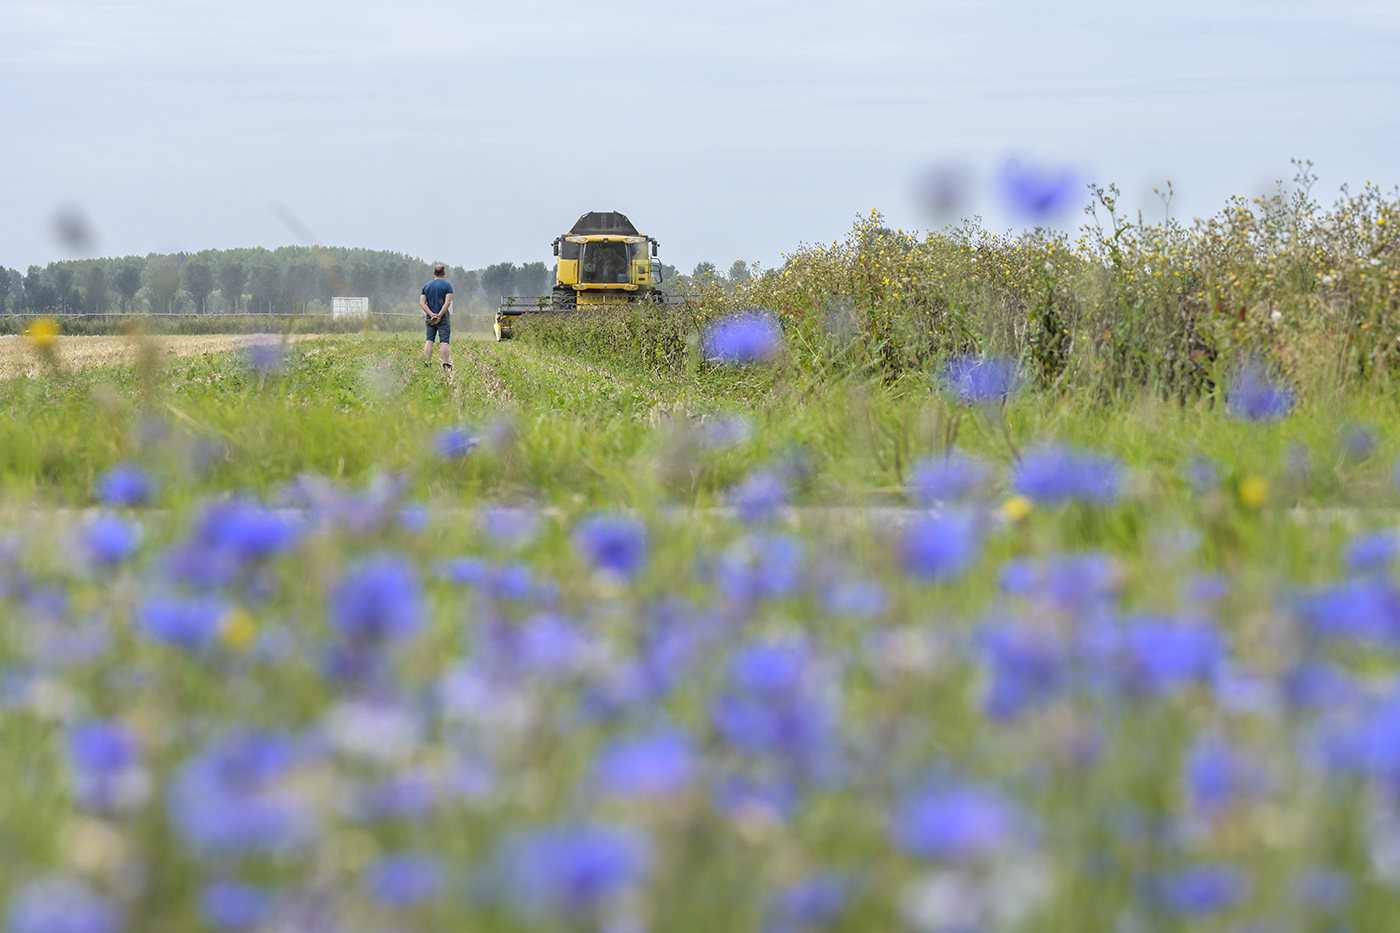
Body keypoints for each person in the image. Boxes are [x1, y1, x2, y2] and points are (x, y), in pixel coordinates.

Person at [420, 263, 454, 370]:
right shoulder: (447, 286)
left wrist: (431, 315)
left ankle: (427, 363)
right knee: (444, 342)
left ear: (434, 273)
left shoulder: (426, 286)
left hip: (430, 319)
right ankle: (445, 364)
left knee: (429, 340)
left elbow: (422, 303)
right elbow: (447, 302)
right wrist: (439, 315)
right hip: (443, 318)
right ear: (444, 273)